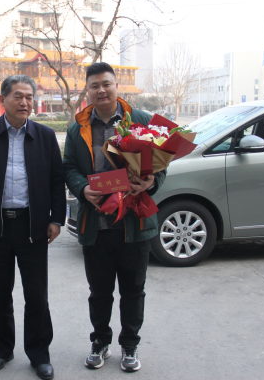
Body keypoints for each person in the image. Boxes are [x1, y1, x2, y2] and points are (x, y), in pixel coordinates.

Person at [62, 63, 166, 373]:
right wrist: (83, 189)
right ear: (88, 90)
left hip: (134, 224)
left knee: (133, 290)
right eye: (94, 85)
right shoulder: (78, 128)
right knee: (99, 292)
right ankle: (100, 342)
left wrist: (150, 182)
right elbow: (69, 167)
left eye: (106, 84)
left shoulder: (142, 121)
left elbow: (162, 166)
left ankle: (130, 345)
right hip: (97, 224)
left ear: (116, 86)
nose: (101, 90)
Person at [0, 75, 65, 380]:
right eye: (18, 96)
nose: (24, 102)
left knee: (36, 294)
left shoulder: (45, 136)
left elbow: (56, 181)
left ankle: (39, 354)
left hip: (33, 226)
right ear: (3, 99)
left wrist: (56, 219)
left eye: (29, 97)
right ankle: (3, 349)